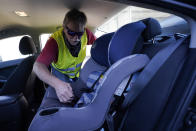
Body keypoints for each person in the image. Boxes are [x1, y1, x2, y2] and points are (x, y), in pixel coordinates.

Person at [33, 9, 96, 108]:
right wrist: (57, 84)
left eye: (79, 34)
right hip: (60, 74)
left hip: (76, 73)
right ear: (64, 28)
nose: (76, 38)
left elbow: (100, 46)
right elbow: (37, 66)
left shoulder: (87, 33)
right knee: (65, 98)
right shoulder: (54, 42)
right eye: (71, 33)